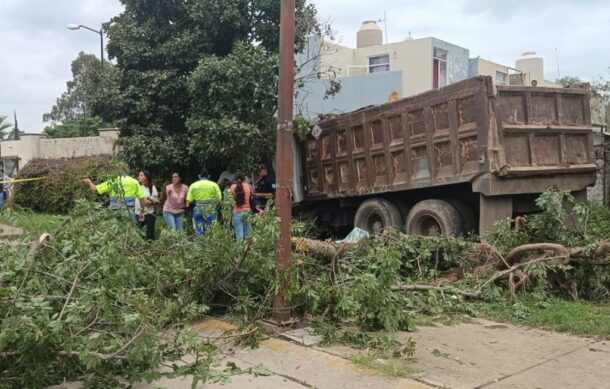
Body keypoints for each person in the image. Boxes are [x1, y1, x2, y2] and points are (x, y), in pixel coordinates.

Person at [81, 174, 146, 221]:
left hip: (115, 211)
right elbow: (141, 198)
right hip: (129, 212)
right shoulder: (134, 181)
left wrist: (89, 182)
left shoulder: (112, 181)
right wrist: (142, 211)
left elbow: (95, 189)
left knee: (117, 232)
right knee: (131, 232)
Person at [186, 168, 222, 237]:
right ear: (208, 176)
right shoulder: (214, 185)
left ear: (199, 176)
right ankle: (210, 245)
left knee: (198, 229)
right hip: (210, 209)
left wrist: (188, 209)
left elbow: (188, 202)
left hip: (197, 209)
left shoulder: (193, 185)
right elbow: (220, 200)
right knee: (211, 230)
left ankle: (199, 244)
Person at [135, 170, 159, 240]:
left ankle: (151, 249)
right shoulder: (137, 187)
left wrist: (149, 200)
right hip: (139, 213)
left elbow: (156, 200)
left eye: (141, 175)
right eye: (139, 175)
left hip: (150, 213)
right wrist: (149, 199)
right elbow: (144, 201)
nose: (139, 177)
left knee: (150, 234)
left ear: (147, 177)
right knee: (140, 233)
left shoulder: (152, 187)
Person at [230, 171, 254, 241]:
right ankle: (249, 251)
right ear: (244, 178)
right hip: (247, 212)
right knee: (249, 235)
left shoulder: (232, 187)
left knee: (239, 236)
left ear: (235, 179)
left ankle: (240, 251)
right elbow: (252, 197)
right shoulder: (249, 186)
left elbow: (230, 198)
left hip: (237, 212)